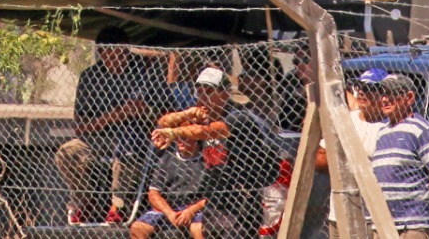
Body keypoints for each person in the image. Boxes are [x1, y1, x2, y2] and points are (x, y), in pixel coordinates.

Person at [151, 66, 277, 237]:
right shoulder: (202, 117)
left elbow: (208, 131)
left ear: (224, 94)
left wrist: (173, 133)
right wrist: (186, 114)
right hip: (216, 200)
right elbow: (163, 122)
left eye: (209, 92)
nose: (203, 97)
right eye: (199, 92)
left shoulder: (238, 116)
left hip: (243, 198)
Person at [55, 26, 155, 225]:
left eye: (122, 55)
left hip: (139, 137)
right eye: (111, 56)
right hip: (100, 138)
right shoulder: (91, 77)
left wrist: (145, 111)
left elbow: (166, 112)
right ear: (101, 53)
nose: (117, 61)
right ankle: (84, 199)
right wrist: (116, 115)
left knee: (127, 144)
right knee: (67, 151)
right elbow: (81, 127)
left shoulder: (145, 72)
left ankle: (117, 206)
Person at [313, 68, 391, 239]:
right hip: (340, 211)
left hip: (373, 215)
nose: (362, 92)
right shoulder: (347, 120)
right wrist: (349, 162)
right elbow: (319, 159)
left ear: (385, 95)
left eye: (370, 88)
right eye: (359, 86)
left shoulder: (388, 128)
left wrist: (343, 156)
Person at [372, 74, 429, 238]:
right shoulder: (382, 132)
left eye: (392, 94)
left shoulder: (422, 130)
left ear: (409, 98)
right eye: (382, 94)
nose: (385, 99)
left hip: (412, 226)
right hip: (383, 224)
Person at [130, 136, 207, 239]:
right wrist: (170, 214)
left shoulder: (207, 161)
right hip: (169, 207)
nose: (180, 141)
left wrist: (191, 211)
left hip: (196, 208)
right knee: (137, 228)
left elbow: (212, 197)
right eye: (178, 137)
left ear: (196, 138)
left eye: (185, 137)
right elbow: (153, 194)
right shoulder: (166, 159)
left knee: (197, 229)